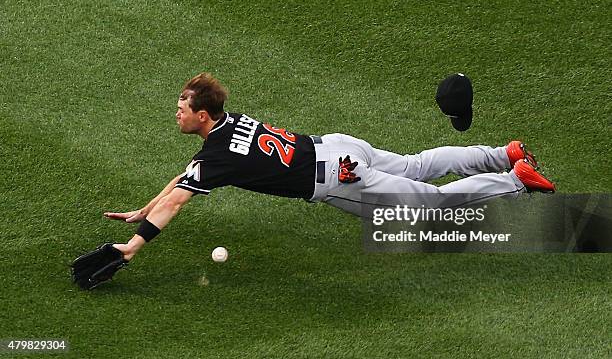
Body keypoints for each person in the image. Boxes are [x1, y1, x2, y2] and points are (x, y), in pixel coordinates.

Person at [106, 72, 555, 261]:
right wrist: (147, 206)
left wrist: (131, 247)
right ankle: (505, 153)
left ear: (203, 117)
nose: (177, 113)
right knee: (416, 165)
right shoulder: (228, 125)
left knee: (430, 209)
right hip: (338, 145)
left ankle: (514, 180)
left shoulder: (217, 155)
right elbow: (186, 177)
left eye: (182, 108)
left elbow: (181, 198)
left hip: (337, 179)